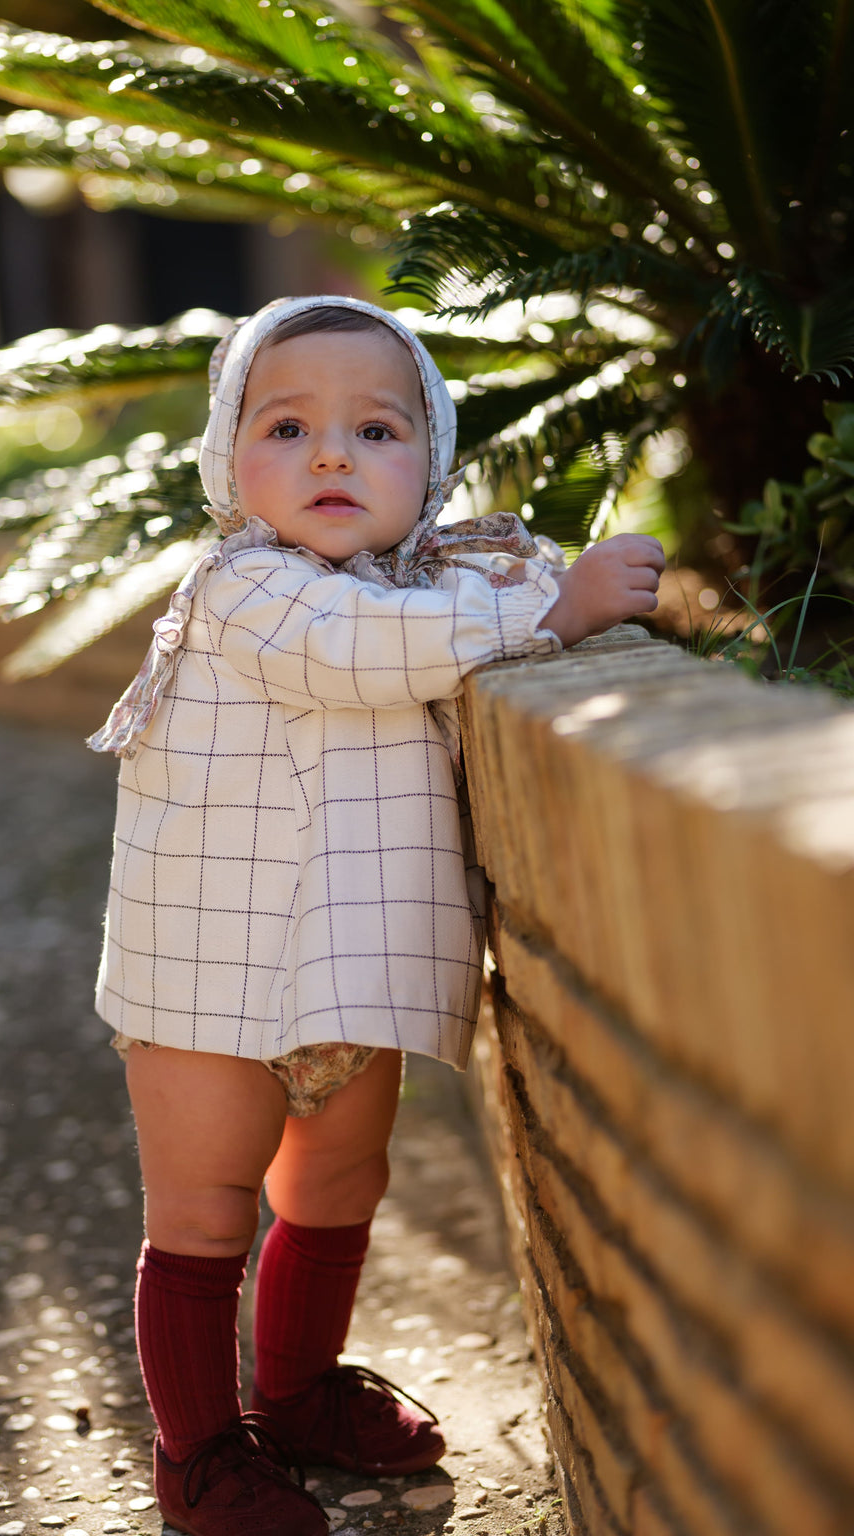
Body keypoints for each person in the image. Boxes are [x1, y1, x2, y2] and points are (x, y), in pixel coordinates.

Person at [88, 295, 664, 1535]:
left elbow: (422, 635)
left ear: (433, 463)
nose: (333, 455)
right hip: (209, 972)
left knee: (340, 1179)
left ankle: (295, 1393)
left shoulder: (430, 594)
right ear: (225, 464)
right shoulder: (249, 586)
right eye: (286, 427)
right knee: (203, 1206)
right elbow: (358, 654)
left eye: (377, 430)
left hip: (347, 968)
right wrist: (557, 610)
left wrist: (541, 603)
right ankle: (197, 1452)